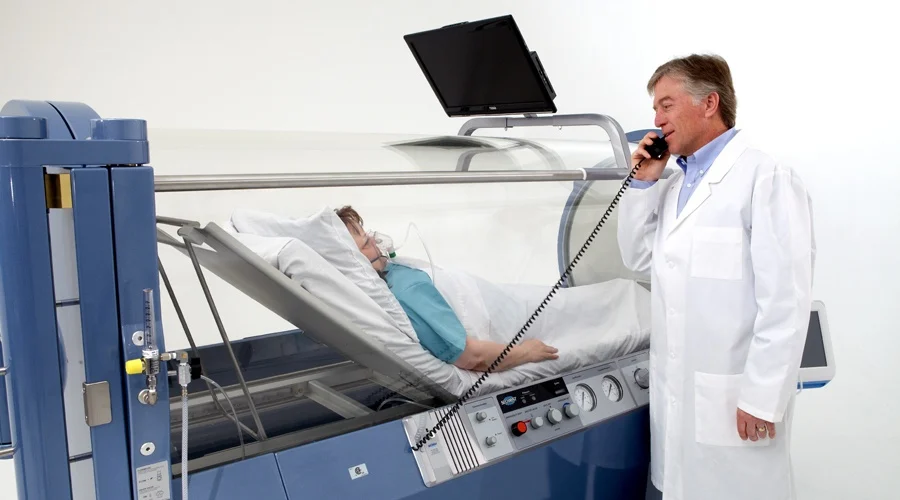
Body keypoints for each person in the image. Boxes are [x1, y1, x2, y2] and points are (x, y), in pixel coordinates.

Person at [618, 54, 815, 500]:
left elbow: (785, 301)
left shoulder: (765, 177)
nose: (657, 119)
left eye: (666, 105)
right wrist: (643, 183)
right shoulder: (673, 185)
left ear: (709, 103)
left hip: (736, 402)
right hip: (681, 402)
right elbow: (637, 258)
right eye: (655, 108)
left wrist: (762, 398)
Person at [334, 205, 560, 373]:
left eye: (368, 233)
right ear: (355, 263)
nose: (375, 240)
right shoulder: (406, 293)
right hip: (516, 316)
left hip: (504, 297)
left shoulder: (391, 270)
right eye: (366, 243)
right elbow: (472, 357)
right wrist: (526, 352)